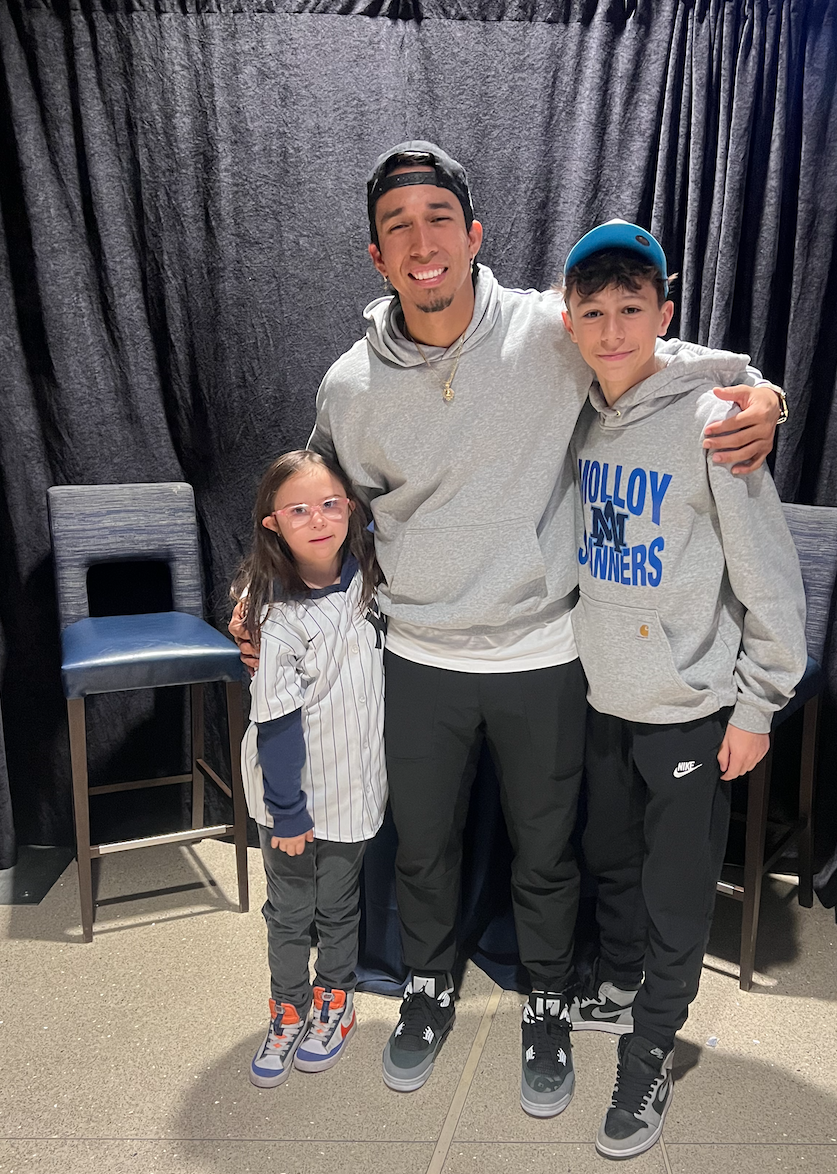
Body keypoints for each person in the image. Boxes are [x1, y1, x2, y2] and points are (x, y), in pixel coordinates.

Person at [232, 141, 785, 1117]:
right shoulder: (348, 386)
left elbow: (646, 350)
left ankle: (542, 1003)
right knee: (424, 847)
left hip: (547, 657)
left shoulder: (545, 329)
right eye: (397, 226)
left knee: (546, 851)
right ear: (375, 255)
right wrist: (258, 585)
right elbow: (309, 501)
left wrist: (758, 388)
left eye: (437, 218)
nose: (421, 241)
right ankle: (428, 989)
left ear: (473, 233)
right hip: (417, 656)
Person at [559, 220, 806, 1158]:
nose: (614, 330)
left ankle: (650, 1049)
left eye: (633, 310)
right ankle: (619, 981)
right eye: (595, 311)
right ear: (569, 319)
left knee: (674, 890)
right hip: (602, 695)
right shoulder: (572, 405)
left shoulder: (717, 422)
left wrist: (757, 704)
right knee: (611, 860)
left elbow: (768, 574)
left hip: (690, 706)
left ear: (665, 314)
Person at [233, 450, 387, 1088]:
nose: (318, 520)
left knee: (340, 905)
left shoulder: (368, 575)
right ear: (272, 524)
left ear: (350, 510)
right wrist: (288, 811)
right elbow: (275, 724)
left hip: (353, 785)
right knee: (292, 909)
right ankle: (288, 1006)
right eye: (298, 510)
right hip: (290, 796)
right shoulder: (273, 613)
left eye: (330, 505)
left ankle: (335, 998)